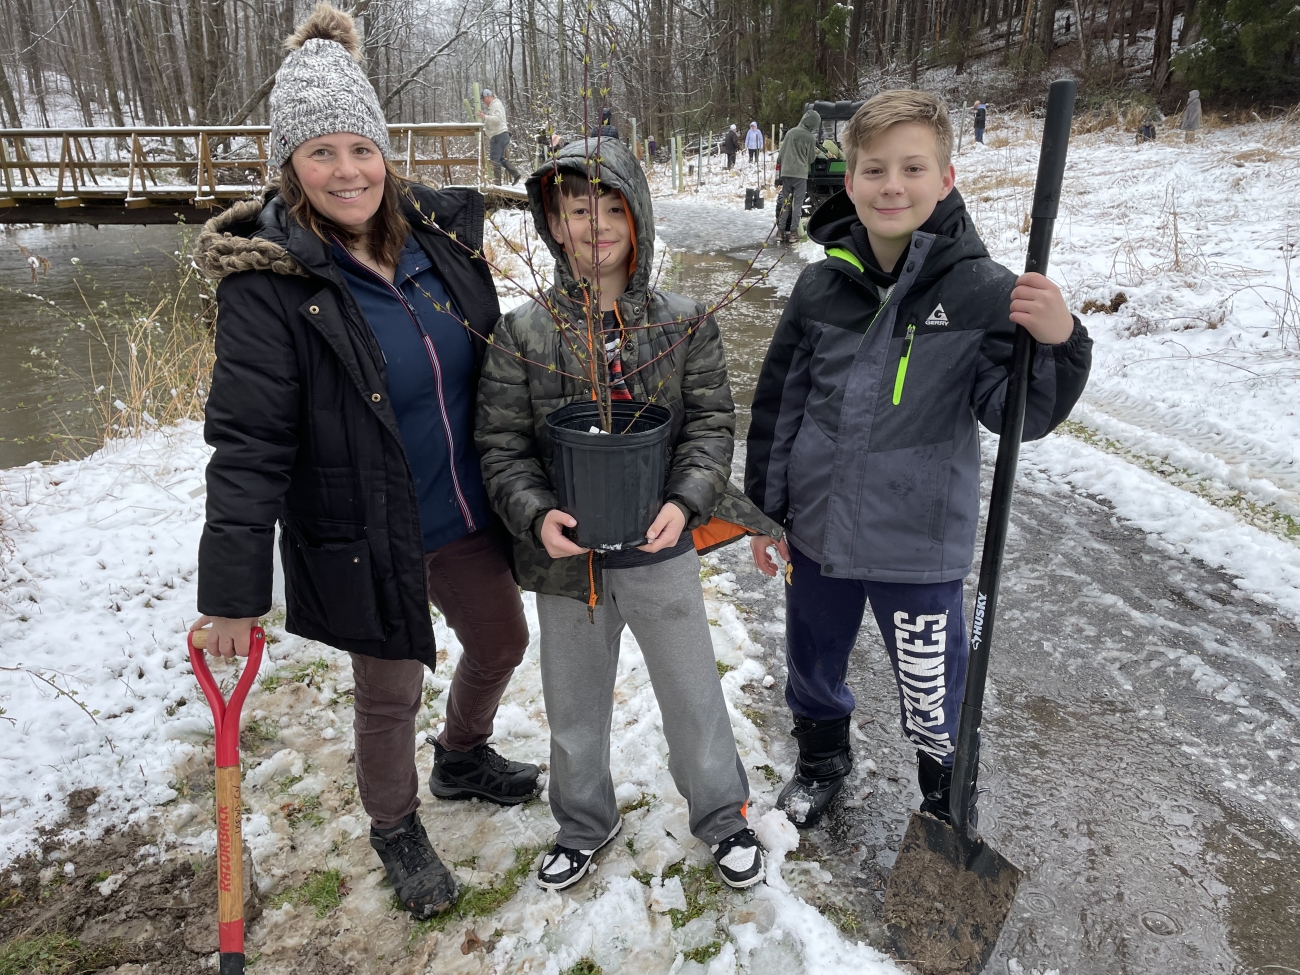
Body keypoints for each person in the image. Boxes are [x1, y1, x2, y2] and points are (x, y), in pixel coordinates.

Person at [190, 4, 537, 921]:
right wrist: (231, 594)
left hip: (463, 510)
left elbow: (493, 365)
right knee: (388, 693)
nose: (347, 171)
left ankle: (462, 755)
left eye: (361, 148)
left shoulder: (441, 240)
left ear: (384, 151)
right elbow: (248, 445)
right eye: (321, 152)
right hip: (364, 526)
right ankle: (396, 826)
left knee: (502, 641)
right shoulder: (270, 285)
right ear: (290, 166)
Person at [744, 89, 1093, 829]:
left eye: (912, 168)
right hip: (818, 533)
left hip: (918, 545)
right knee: (812, 661)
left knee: (933, 689)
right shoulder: (820, 286)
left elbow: (1018, 414)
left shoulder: (985, 291)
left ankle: (944, 788)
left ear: (946, 178)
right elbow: (779, 406)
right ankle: (822, 758)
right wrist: (764, 515)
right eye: (874, 170)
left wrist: (1061, 342)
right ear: (849, 181)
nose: (892, 186)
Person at [475, 137, 782, 892]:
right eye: (578, 210)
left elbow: (711, 424)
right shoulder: (523, 331)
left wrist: (685, 502)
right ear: (553, 223)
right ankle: (584, 820)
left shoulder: (684, 322)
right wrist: (536, 516)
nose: (597, 225)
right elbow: (502, 444)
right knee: (572, 703)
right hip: (567, 562)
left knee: (692, 690)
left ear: (637, 216)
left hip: (659, 546)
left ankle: (723, 814)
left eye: (613, 207)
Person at [774, 108, 819, 246]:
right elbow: (811, 159)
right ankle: (793, 233)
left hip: (786, 173)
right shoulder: (810, 138)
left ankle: (780, 232)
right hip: (800, 175)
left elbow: (780, 156)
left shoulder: (790, 133)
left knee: (785, 203)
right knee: (797, 204)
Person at [479, 88, 521, 184]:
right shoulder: (495, 106)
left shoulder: (496, 105)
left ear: (488, 97)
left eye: (483, 99)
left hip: (498, 135)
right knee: (500, 159)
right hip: (502, 135)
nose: (483, 101)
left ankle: (497, 184)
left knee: (494, 160)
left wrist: (485, 117)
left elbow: (498, 119)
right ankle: (515, 174)